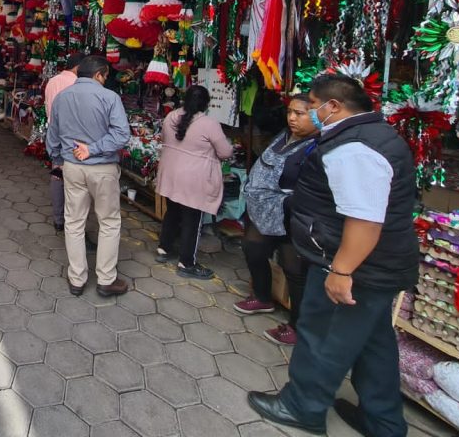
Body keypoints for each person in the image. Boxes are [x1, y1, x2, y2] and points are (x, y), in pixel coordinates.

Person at [248, 74, 419, 437]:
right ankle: (384, 423)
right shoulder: (375, 135)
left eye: (312, 105)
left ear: (334, 107)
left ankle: (302, 407)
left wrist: (341, 271)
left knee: (323, 335)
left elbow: (365, 219)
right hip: (377, 266)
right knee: (374, 346)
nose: (309, 111)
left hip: (355, 268)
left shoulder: (354, 147)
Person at [234, 94, 318, 345]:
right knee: (252, 247)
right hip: (264, 211)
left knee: (294, 269)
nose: (292, 118)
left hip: (293, 215)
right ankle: (262, 296)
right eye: (290, 112)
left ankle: (297, 326)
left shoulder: (317, 146)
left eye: (300, 114)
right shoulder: (284, 135)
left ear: (316, 116)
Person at [46, 55, 132, 298]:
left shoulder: (62, 98)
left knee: (73, 222)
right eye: (105, 76)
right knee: (109, 222)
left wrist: (57, 159)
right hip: (102, 168)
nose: (105, 81)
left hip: (72, 167)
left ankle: (77, 279)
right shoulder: (109, 97)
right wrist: (93, 148)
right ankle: (106, 279)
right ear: (99, 74)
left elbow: (53, 134)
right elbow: (121, 135)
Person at [155, 85, 234, 280]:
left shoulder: (171, 116)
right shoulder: (209, 123)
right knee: (193, 220)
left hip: (172, 173)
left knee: (172, 211)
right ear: (206, 104)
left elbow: (165, 139)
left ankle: (164, 249)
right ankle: (186, 262)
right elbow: (225, 152)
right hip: (194, 179)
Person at [44, 53, 85, 233]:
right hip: (72, 136)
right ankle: (73, 218)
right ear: (78, 67)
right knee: (74, 178)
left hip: (54, 132)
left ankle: (58, 218)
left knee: (57, 174)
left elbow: (49, 108)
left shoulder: (52, 81)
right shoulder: (77, 84)